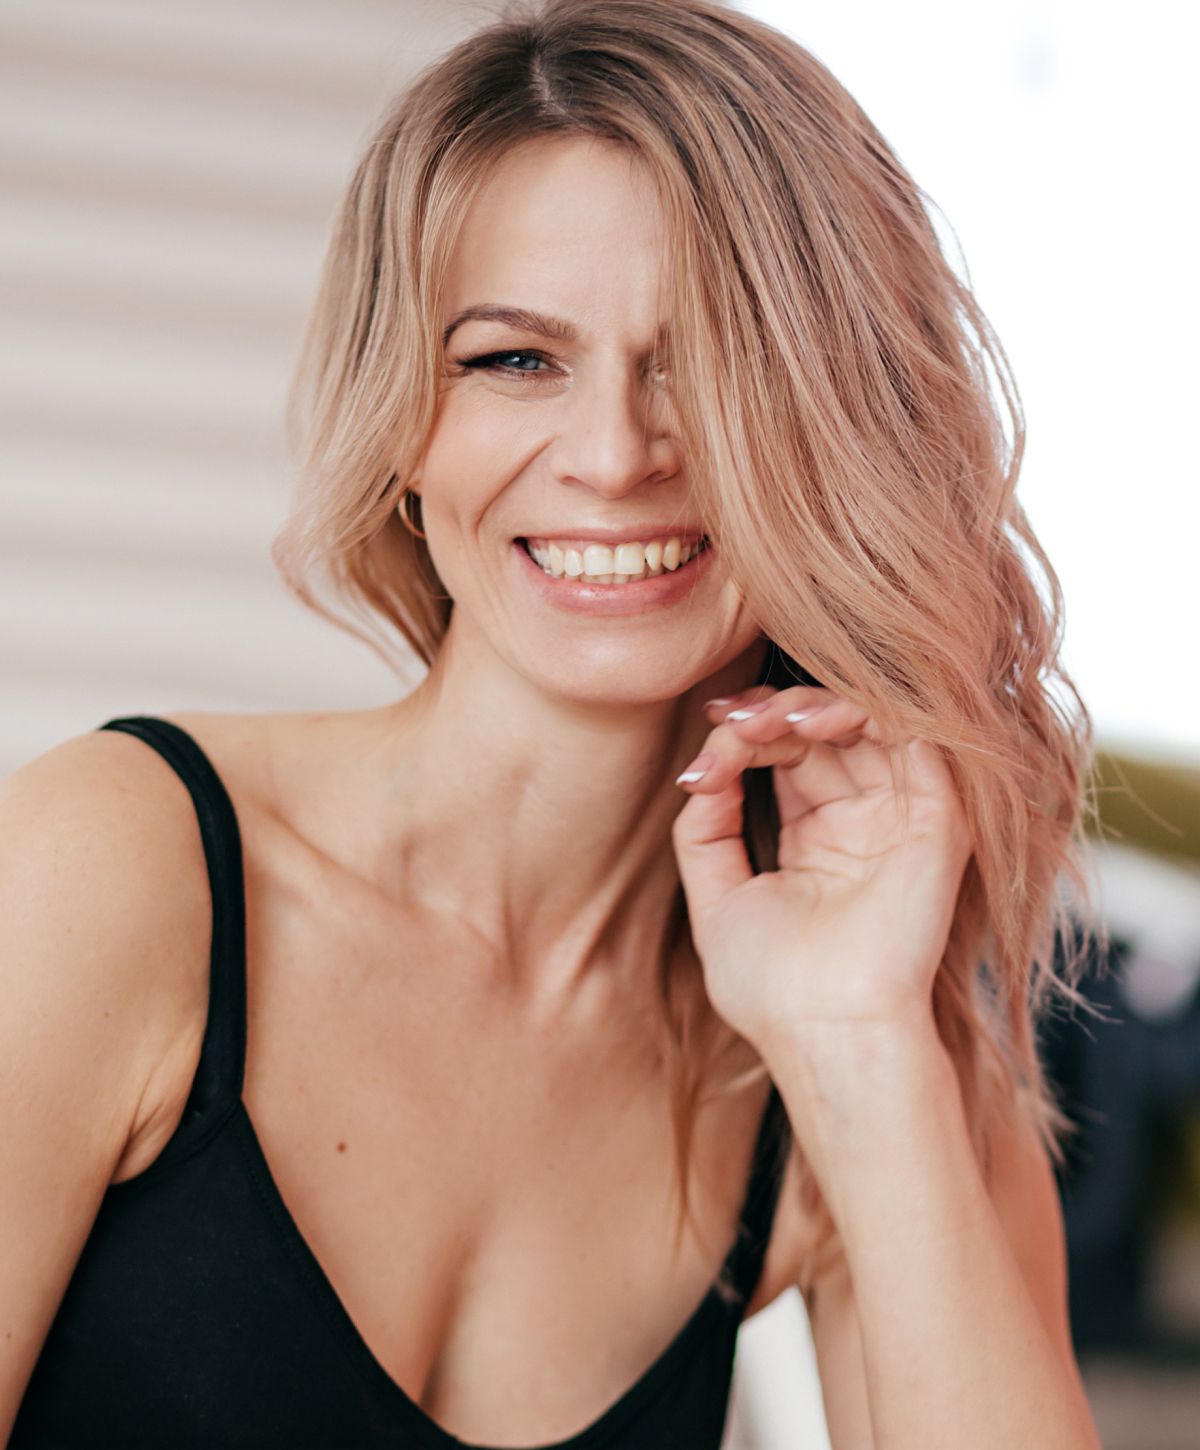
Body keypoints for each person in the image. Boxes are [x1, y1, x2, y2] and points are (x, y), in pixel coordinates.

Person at [2, 1, 1105, 1445]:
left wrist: (857, 1046)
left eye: (712, 362)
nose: (615, 455)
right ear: (404, 423)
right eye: (515, 359)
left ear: (840, 423)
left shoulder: (880, 1034)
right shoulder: (107, 871)